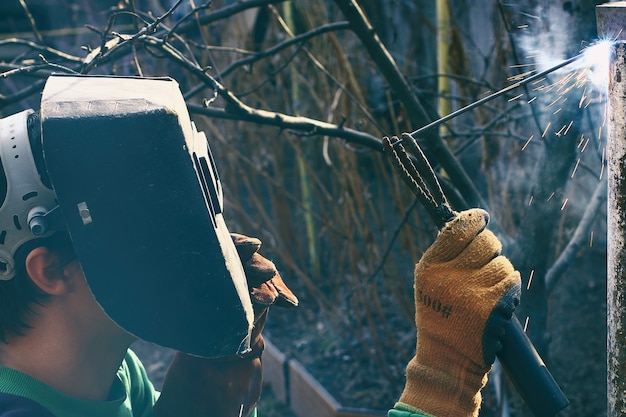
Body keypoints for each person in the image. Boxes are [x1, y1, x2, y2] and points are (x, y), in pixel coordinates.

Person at [0, 74, 521, 417]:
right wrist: (441, 378)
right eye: (129, 222)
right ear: (51, 271)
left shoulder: (106, 374)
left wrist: (203, 389)